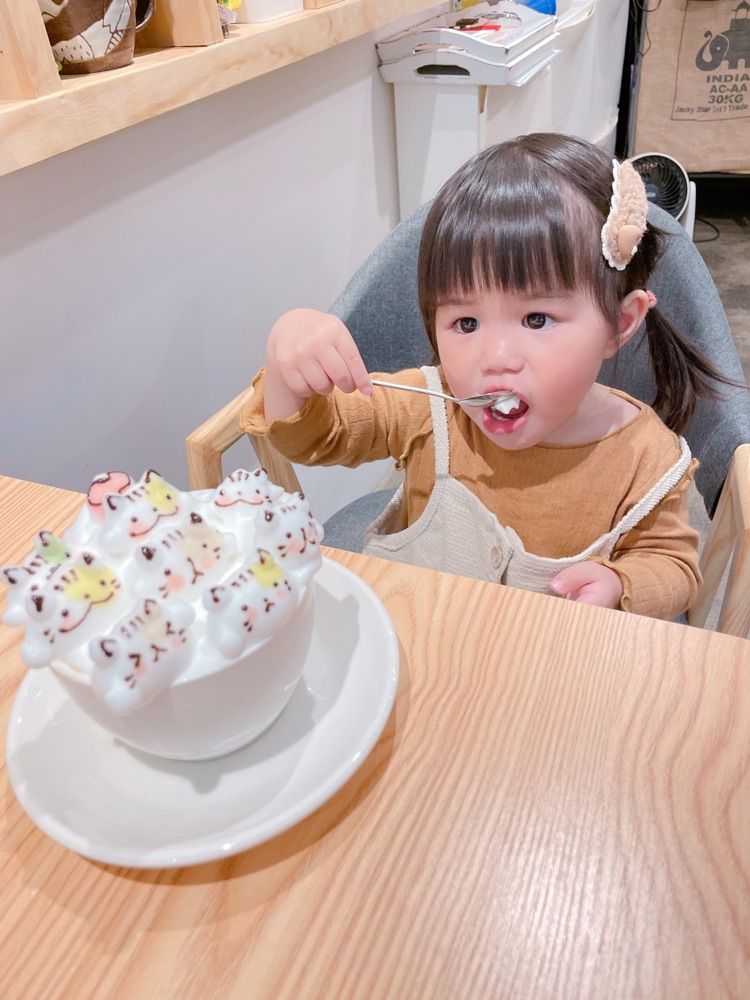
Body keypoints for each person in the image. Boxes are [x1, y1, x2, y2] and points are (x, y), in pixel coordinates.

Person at [241, 133, 735, 619]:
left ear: (620, 323)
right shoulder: (430, 406)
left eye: (536, 319)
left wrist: (620, 584)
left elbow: (674, 567)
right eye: (466, 323)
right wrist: (288, 364)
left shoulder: (646, 457)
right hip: (424, 629)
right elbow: (316, 438)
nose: (495, 358)